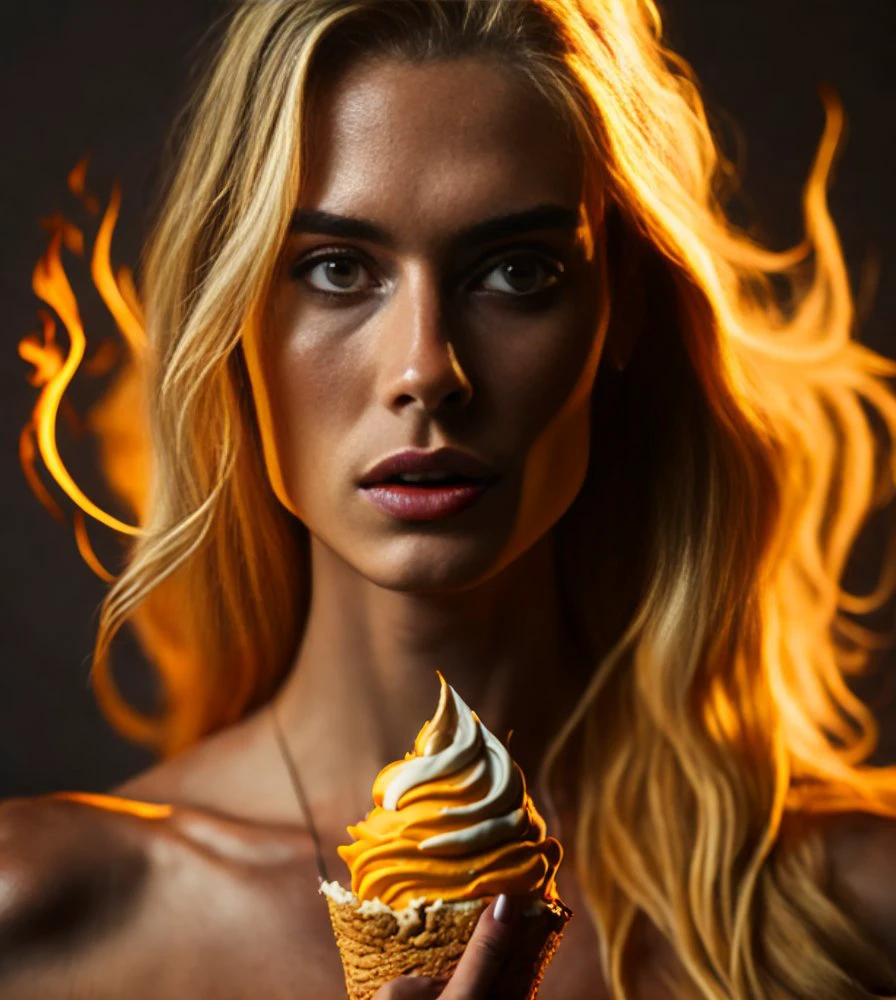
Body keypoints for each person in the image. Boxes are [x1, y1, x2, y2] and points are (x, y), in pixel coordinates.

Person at [4, 0, 896, 997]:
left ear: (619, 314)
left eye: (515, 271)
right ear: (236, 321)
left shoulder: (853, 916)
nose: (427, 369)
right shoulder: (36, 919)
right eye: (337, 269)